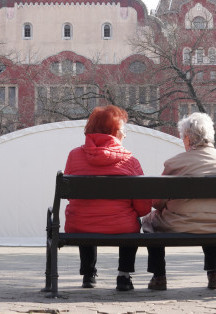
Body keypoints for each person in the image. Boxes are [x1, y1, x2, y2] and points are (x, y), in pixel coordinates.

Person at [143, 112, 216, 291]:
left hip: (180, 225)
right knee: (210, 216)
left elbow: (157, 202)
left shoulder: (175, 163)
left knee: (149, 221)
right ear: (210, 135)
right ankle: (213, 274)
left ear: (187, 138)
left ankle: (159, 276)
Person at [64, 105, 151, 292]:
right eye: (123, 131)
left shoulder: (74, 155)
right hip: (121, 226)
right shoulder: (130, 161)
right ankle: (124, 276)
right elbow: (143, 207)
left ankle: (88, 274)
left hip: (80, 225)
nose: (125, 135)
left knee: (86, 214)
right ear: (114, 132)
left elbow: (71, 195)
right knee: (131, 221)